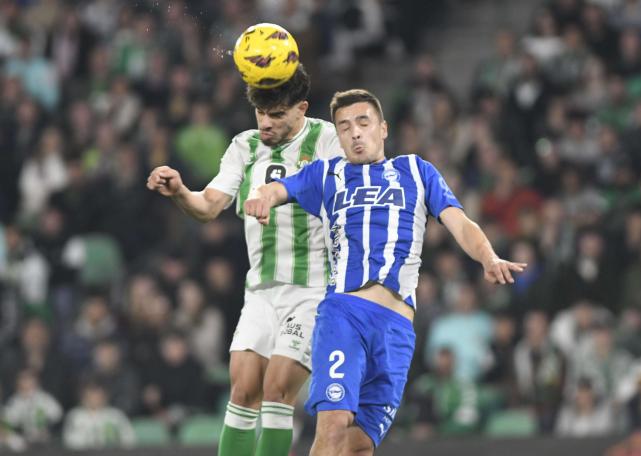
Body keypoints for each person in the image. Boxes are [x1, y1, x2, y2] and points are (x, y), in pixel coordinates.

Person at [245, 88, 526, 454]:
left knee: (359, 445)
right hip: (346, 313)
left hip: (397, 330)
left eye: (363, 123)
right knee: (332, 424)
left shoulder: (416, 170)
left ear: (383, 128)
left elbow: (460, 222)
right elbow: (279, 187)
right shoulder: (327, 174)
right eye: (344, 127)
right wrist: (264, 196)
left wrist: (488, 258)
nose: (355, 133)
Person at [146, 65, 343, 456]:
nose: (266, 123)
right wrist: (182, 191)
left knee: (277, 389)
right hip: (260, 291)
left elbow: (345, 194)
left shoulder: (327, 139)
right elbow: (208, 207)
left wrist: (282, 193)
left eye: (277, 115)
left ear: (301, 108)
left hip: (312, 289)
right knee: (242, 388)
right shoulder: (244, 146)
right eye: (260, 113)